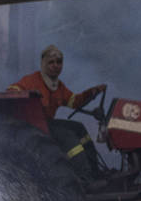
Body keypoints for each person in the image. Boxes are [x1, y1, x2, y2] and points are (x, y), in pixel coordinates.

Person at [10, 44, 105, 178]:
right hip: (35, 127)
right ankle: (85, 178)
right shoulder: (32, 80)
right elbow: (12, 91)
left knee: (79, 128)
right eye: (51, 62)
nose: (56, 65)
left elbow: (74, 101)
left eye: (59, 62)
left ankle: (95, 172)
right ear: (43, 64)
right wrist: (26, 97)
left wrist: (91, 92)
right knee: (68, 136)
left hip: (47, 123)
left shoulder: (58, 86)